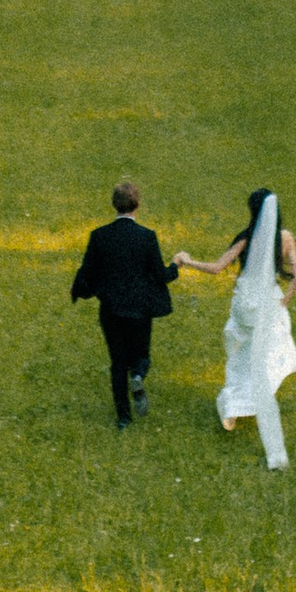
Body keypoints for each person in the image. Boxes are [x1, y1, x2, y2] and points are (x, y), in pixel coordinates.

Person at [175, 187, 296, 469]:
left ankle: (235, 406)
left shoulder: (246, 239)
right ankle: (257, 397)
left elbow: (218, 267)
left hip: (246, 305)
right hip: (269, 303)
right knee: (266, 354)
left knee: (242, 355)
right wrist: (284, 301)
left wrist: (187, 260)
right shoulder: (286, 238)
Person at [69, 179, 180, 428]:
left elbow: (87, 271)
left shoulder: (99, 236)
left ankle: (123, 417)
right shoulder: (146, 237)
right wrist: (176, 265)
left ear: (114, 205)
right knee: (141, 354)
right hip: (140, 309)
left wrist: (85, 290)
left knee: (118, 361)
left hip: (111, 309)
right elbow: (160, 275)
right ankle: (138, 376)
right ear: (137, 205)